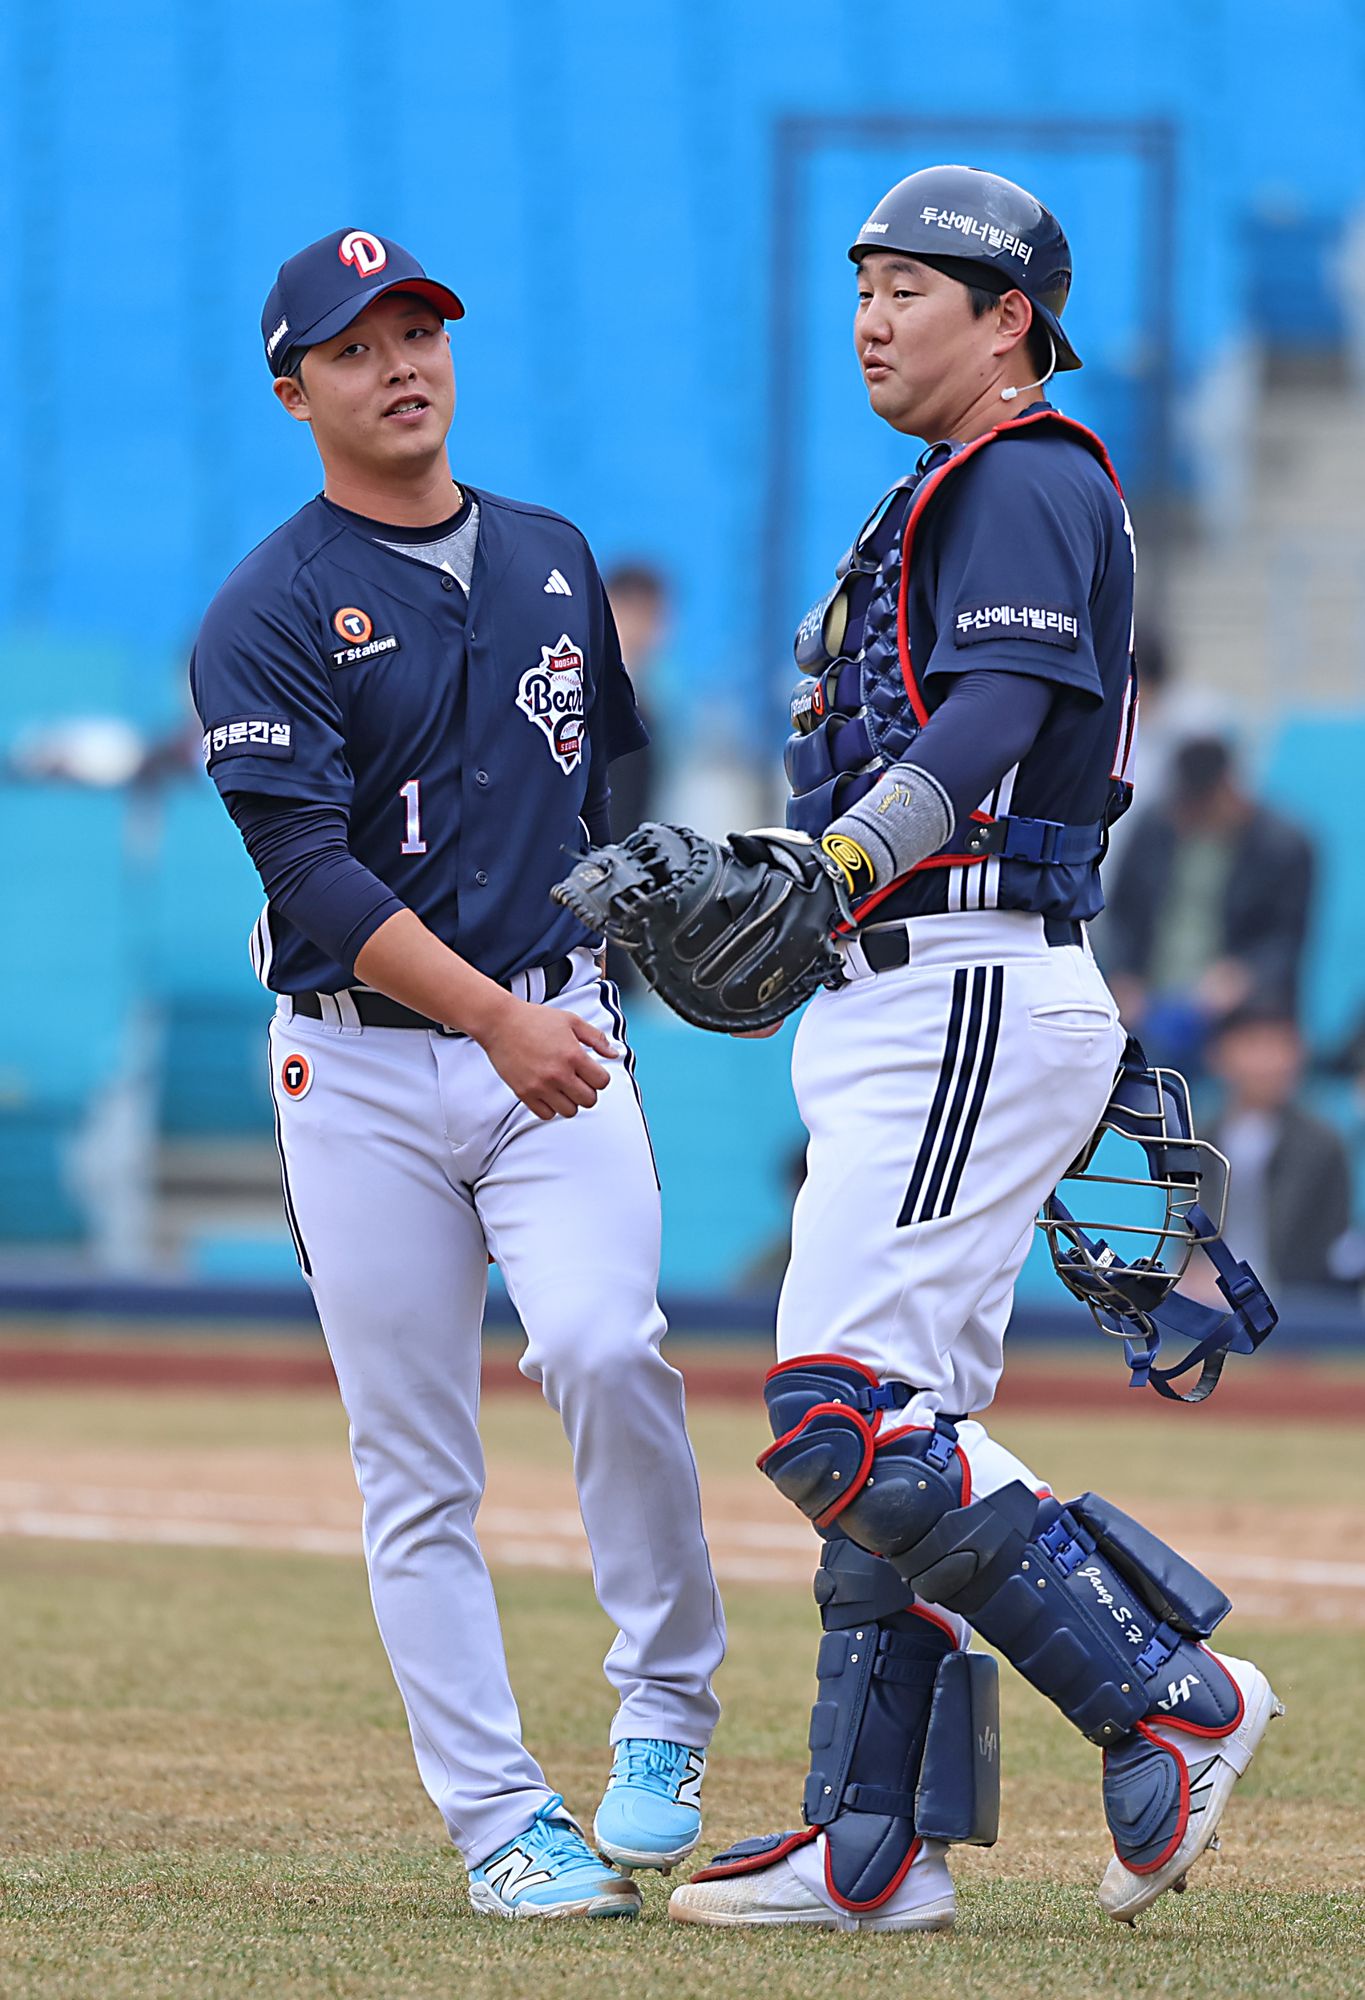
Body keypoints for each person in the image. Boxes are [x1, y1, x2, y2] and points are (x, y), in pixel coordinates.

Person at [667, 166, 1281, 1934]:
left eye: (913, 288)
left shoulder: (1022, 469)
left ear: (1010, 320)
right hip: (918, 987)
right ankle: (873, 1851)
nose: (871, 313)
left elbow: (1006, 707)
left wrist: (850, 854)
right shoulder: (950, 487)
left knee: (840, 1420)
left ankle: (1168, 1691)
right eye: (861, 284)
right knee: (897, 1422)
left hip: (966, 975)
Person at [189, 228, 724, 1919]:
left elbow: (601, 797)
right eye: (357, 346)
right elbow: (316, 880)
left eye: (420, 329)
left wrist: (651, 924)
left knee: (602, 1344)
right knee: (413, 1462)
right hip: (359, 1075)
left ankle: (665, 1712)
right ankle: (503, 1819)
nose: (402, 362)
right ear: (297, 392)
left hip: (555, 1034)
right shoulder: (264, 610)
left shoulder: (555, 558)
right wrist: (494, 1016)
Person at [1100, 734, 1315, 1066]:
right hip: (1146, 1003)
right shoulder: (1155, 828)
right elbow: (1120, 916)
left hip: (1238, 1013)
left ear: (1229, 790)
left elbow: (1286, 941)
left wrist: (1243, 976)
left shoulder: (1284, 845)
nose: (1191, 817)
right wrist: (1123, 977)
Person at [1204, 1005, 1353, 1289]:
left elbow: (1330, 1248)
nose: (1270, 1062)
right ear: (1220, 1055)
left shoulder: (1322, 1146)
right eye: (1254, 1045)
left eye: (1282, 1044)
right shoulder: (1199, 1139)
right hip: (1210, 1297)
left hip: (1294, 1308)